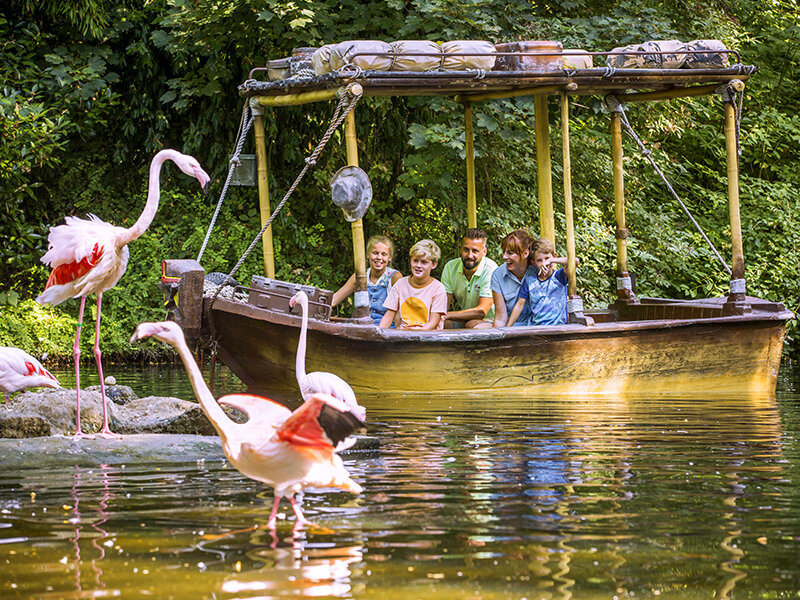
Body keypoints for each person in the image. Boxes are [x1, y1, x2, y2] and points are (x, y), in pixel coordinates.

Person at [332, 235, 403, 326]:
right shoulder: (360, 276)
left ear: (389, 257)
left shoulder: (394, 277)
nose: (379, 257)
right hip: (362, 327)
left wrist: (398, 332)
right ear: (368, 254)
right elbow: (334, 299)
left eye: (384, 254)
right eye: (375, 253)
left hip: (387, 330)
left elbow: (401, 309)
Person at [507, 237, 577, 326]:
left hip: (557, 327)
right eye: (539, 260)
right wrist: (508, 327)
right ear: (533, 262)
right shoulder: (530, 281)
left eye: (547, 258)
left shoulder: (559, 276)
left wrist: (551, 260)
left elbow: (575, 261)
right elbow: (519, 305)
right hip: (536, 327)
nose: (544, 263)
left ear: (554, 256)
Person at [379, 239, 447, 330]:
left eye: (424, 262)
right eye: (415, 260)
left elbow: (433, 322)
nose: (418, 265)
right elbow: (389, 316)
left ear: (434, 264)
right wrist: (378, 333)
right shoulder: (400, 284)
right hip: (403, 334)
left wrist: (416, 334)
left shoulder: (438, 288)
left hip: (427, 336)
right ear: (410, 261)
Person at [440, 228, 498, 329]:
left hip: (490, 320)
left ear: (484, 252)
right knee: (441, 323)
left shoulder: (490, 269)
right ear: (460, 249)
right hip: (464, 319)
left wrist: (447, 315)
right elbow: (443, 305)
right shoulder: (450, 267)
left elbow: (481, 312)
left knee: (472, 325)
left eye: (475, 251)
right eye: (466, 250)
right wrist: (439, 318)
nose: (470, 255)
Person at [490, 229, 537, 327]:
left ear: (525, 253)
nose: (504, 257)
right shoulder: (498, 275)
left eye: (510, 253)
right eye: (504, 252)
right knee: (477, 327)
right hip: (511, 327)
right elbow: (500, 318)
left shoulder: (537, 270)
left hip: (537, 326)